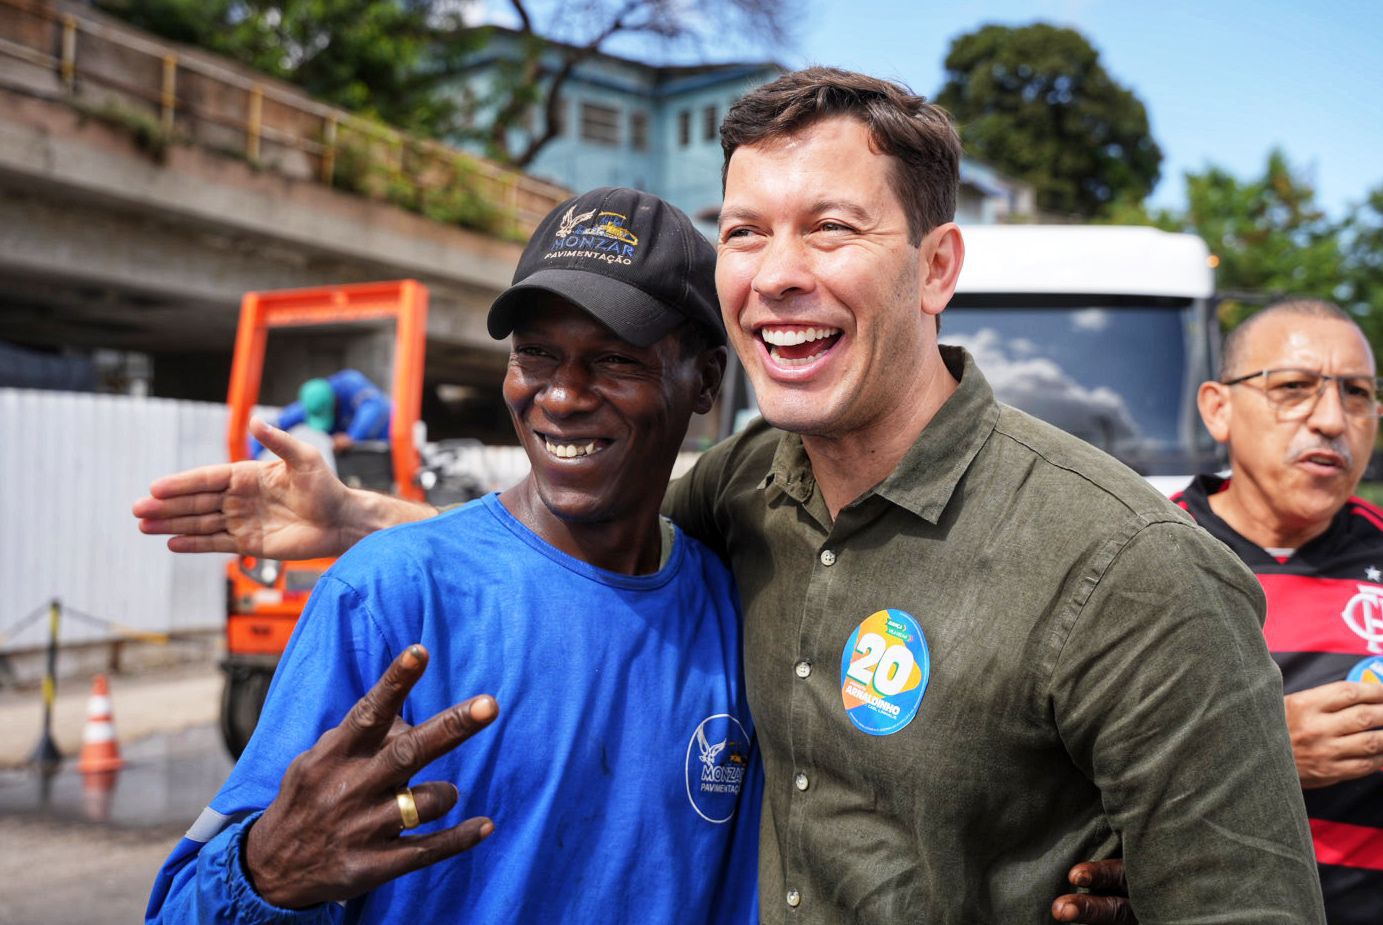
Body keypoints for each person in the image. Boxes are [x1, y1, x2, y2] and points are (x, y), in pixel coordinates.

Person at [136, 70, 1325, 923]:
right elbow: (575, 554)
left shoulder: (1129, 567)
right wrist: (360, 530)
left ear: (939, 268)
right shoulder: (743, 497)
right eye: (746, 231)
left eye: (832, 227)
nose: (778, 273)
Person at [144, 187, 762, 923]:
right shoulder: (390, 597)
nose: (561, 395)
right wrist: (266, 870)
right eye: (535, 353)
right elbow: (181, 909)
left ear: (706, 381)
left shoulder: (735, 612)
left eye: (614, 360)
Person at [1172, 299, 1383, 924]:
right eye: (1293, 388)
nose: (1330, 419)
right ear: (1219, 408)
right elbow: (1053, 771)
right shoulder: (1141, 557)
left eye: (1357, 394)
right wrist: (1262, 753)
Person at [248, 368, 392, 458]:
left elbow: (375, 407)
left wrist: (352, 436)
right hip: (353, 457)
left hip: (386, 443)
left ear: (335, 401)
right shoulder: (311, 404)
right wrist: (250, 460)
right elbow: (270, 427)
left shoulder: (351, 383)